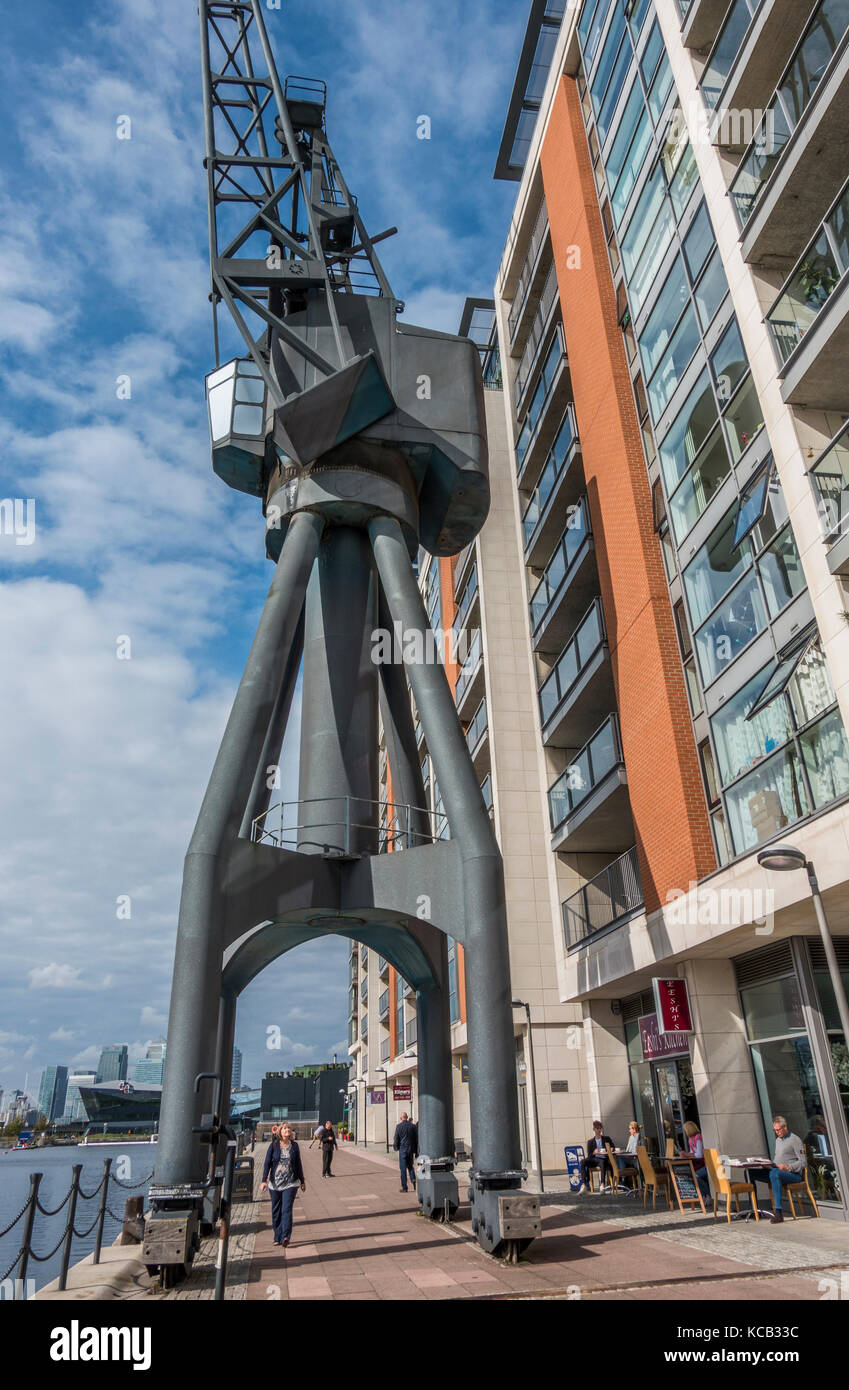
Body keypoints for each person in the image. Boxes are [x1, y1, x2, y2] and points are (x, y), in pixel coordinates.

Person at [260, 1120, 306, 1247]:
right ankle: (277, 1236)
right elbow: (267, 1163)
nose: (287, 1130)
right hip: (274, 1183)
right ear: (280, 1131)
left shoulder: (294, 1146)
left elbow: (298, 1164)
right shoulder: (274, 1145)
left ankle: (285, 1236)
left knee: (286, 1209)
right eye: (285, 1128)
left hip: (290, 1183)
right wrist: (264, 1181)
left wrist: (302, 1180)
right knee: (276, 1210)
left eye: (289, 1128)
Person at [768, 1115, 806, 1223]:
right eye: (775, 1130)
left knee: (775, 1174)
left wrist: (788, 1167)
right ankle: (754, 1210)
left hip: (793, 1175)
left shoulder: (795, 1140)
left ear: (785, 1127)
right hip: (777, 1171)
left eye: (778, 1130)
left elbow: (803, 1162)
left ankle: (779, 1213)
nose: (777, 1132)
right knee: (753, 1173)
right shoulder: (778, 1141)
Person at [578, 1121, 614, 1192]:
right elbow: (589, 1155)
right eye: (597, 1128)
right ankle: (584, 1185)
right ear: (593, 1129)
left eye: (600, 1128)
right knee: (582, 1161)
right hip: (594, 1159)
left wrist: (611, 1149)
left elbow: (613, 1147)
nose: (599, 1130)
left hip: (604, 1159)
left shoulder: (606, 1139)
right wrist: (594, 1152)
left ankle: (602, 1185)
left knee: (602, 1162)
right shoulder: (590, 1142)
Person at [682, 1120, 710, 1201]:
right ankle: (704, 1196)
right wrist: (686, 1154)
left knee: (696, 1176)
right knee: (693, 1176)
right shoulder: (690, 1139)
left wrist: (687, 1155)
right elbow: (692, 1153)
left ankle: (707, 1195)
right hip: (700, 1163)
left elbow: (699, 1155)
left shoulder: (698, 1137)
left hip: (706, 1164)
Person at [393, 1111, 418, 1192]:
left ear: (401, 1118)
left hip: (403, 1149)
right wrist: (416, 1149)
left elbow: (396, 1138)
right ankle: (413, 1179)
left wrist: (396, 1147)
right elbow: (416, 1138)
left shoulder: (399, 1126)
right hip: (410, 1149)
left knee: (403, 1169)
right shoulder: (413, 1126)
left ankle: (405, 1187)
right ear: (407, 1117)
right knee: (410, 1166)